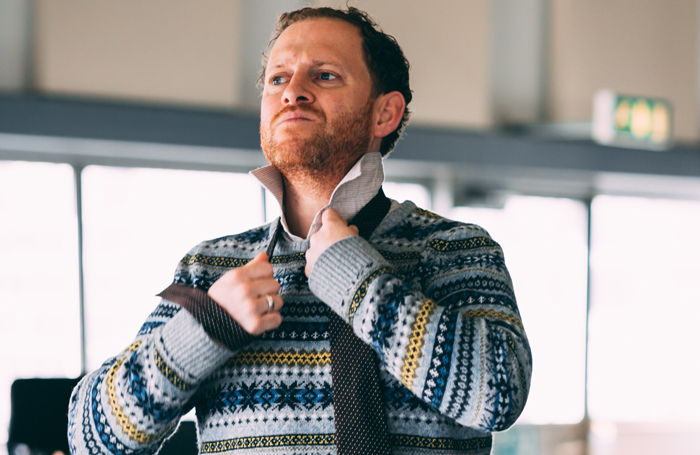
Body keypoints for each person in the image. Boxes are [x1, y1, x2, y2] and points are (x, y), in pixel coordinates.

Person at [68, 6, 531, 455]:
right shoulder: (211, 269)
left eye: (325, 75)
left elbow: (498, 395)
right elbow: (90, 439)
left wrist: (360, 282)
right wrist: (205, 330)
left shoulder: (453, 249)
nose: (293, 91)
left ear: (384, 114)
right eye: (277, 78)